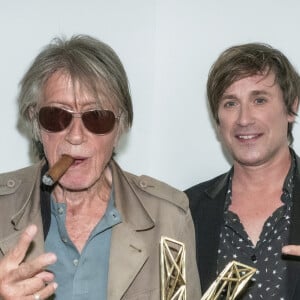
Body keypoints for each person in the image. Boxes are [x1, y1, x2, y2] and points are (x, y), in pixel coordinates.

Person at [0, 35, 201, 300]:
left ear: (120, 127)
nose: (75, 135)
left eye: (96, 118)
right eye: (57, 116)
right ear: (36, 123)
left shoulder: (167, 217)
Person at [186, 43, 300, 299]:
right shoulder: (186, 210)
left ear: (291, 107)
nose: (244, 119)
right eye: (230, 103)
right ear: (218, 120)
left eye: (259, 100)